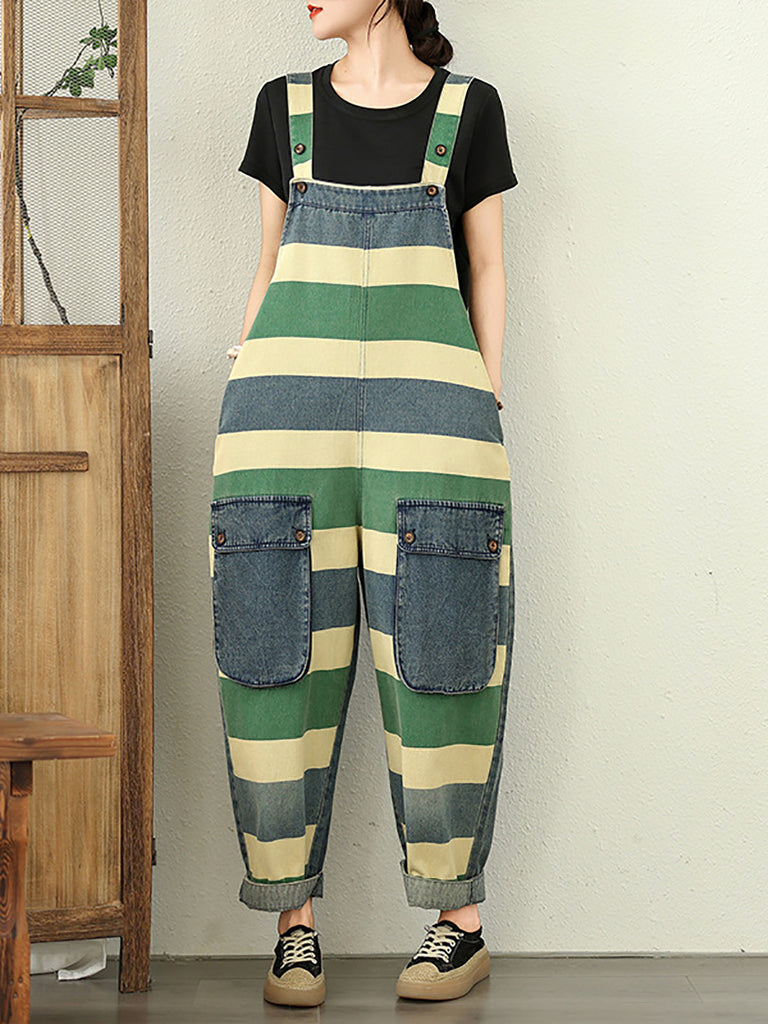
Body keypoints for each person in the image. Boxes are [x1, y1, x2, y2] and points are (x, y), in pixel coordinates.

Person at [209, 0, 518, 1007]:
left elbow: (488, 267)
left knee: (443, 649)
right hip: (281, 411)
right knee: (275, 652)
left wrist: (486, 393)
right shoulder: (283, 108)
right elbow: (267, 264)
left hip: (435, 410)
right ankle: (292, 925)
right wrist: (246, 364)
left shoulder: (469, 111)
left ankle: (458, 924)